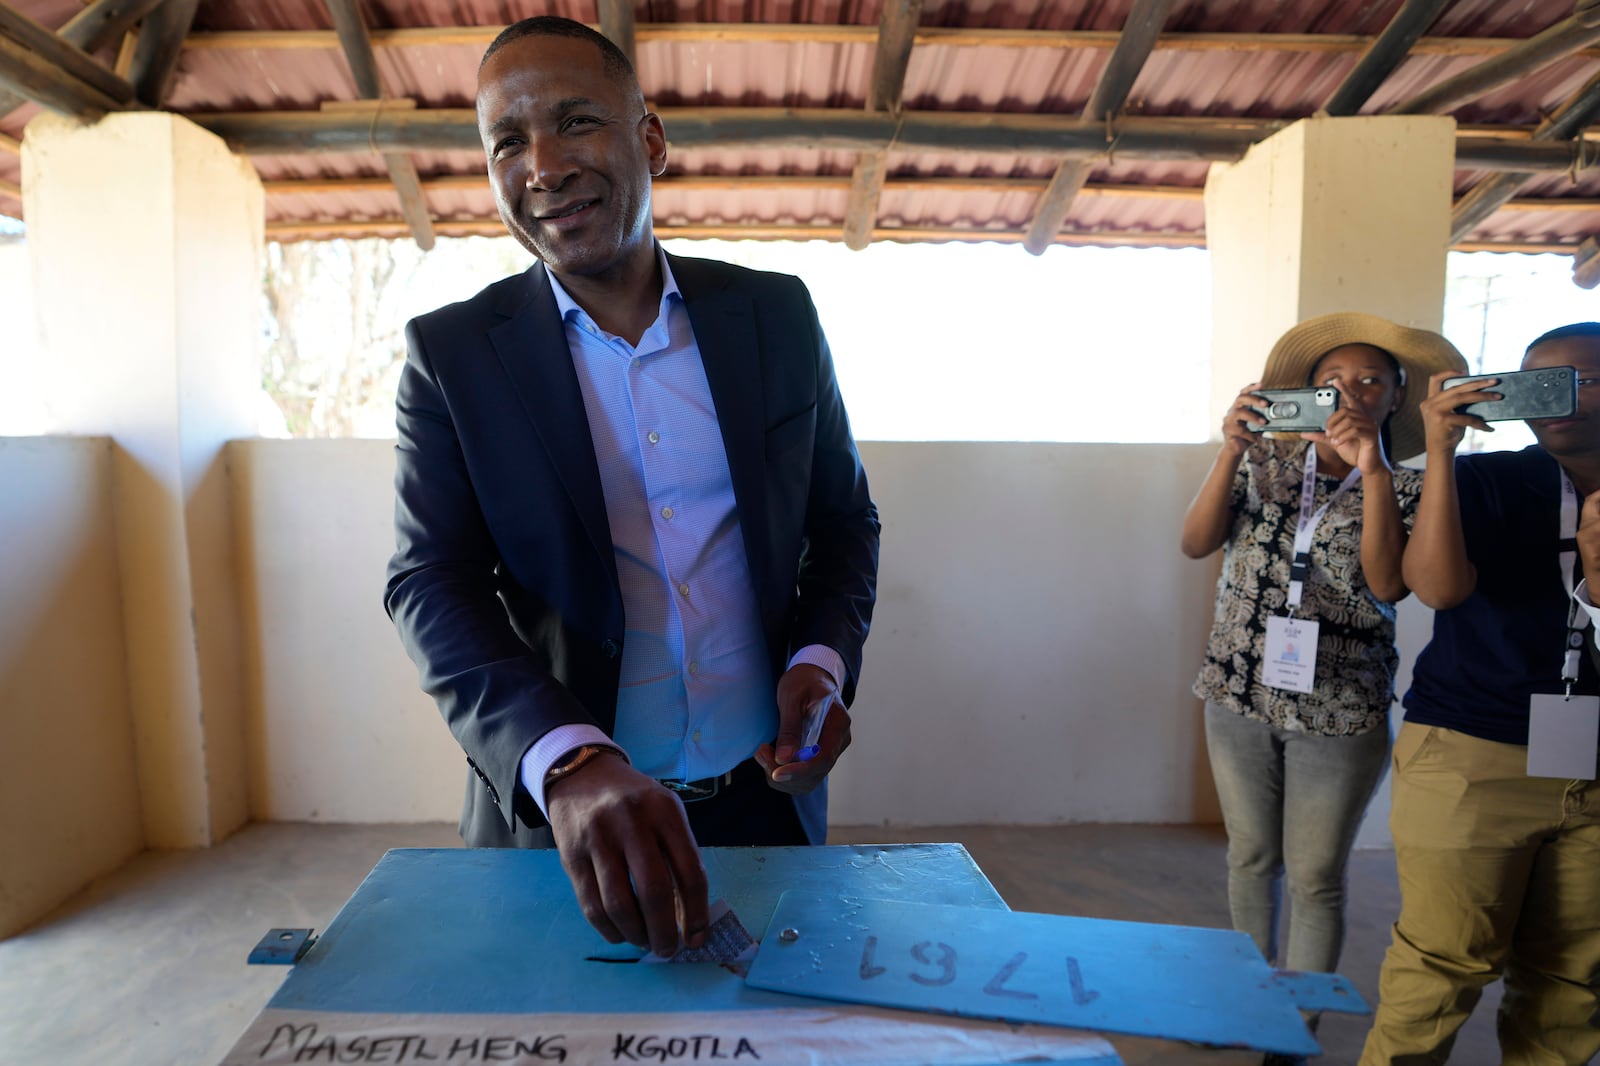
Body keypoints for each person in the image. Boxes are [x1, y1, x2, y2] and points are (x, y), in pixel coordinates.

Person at [384, 16, 880, 961]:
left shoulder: (774, 317)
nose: (543, 165)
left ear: (649, 138)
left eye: (576, 122)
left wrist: (821, 664)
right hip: (568, 838)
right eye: (507, 143)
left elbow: (842, 520)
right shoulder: (451, 357)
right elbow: (429, 581)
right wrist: (566, 760)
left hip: (768, 808)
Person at [1181, 313, 1468, 1011]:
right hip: (1237, 691)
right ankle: (1248, 1000)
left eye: (1371, 380)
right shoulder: (1264, 463)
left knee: (1315, 878)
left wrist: (1371, 470)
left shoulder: (1411, 487)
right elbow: (1195, 543)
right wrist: (1228, 449)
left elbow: (1388, 584)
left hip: (1340, 710)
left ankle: (1298, 1023)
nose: (1350, 393)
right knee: (1250, 858)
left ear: (1396, 397)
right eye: (1331, 381)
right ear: (1307, 391)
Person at [1360, 323, 1600, 1065]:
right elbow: (1435, 587)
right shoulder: (1484, 479)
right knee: (1437, 971)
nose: (1558, 402)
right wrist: (1438, 452)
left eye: (1582, 381)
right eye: (1538, 383)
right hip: (1471, 754)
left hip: (1595, 768)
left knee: (1575, 983)